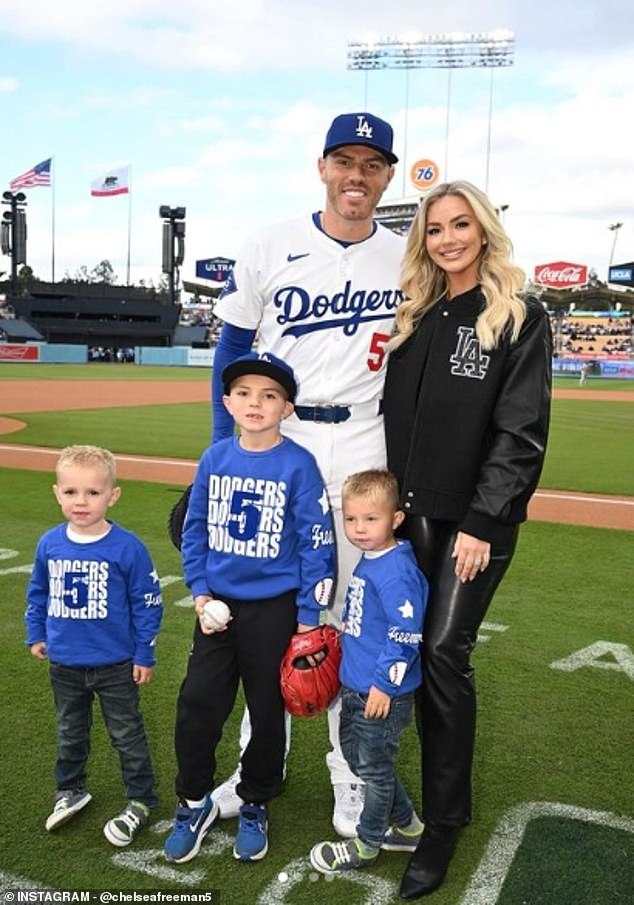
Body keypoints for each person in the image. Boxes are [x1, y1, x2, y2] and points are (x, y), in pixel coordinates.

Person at [209, 111, 405, 836]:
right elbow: (232, 351)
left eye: (373, 163)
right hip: (279, 441)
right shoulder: (269, 244)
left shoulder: (406, 255)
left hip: (364, 440)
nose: (357, 175)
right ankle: (260, 760)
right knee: (266, 613)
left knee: (355, 618)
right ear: (322, 166)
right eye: (345, 160)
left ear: (387, 175)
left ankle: (350, 772)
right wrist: (217, 460)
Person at [383, 180, 552, 899]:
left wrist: (484, 520)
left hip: (473, 522)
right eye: (436, 228)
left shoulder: (518, 314)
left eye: (461, 224)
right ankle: (400, 793)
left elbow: (520, 432)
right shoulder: (417, 314)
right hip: (411, 516)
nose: (448, 237)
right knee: (410, 648)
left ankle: (444, 822)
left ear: (483, 230)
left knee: (445, 653)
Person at [164, 352, 335, 865]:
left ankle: (255, 799)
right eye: (243, 393)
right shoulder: (215, 458)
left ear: (287, 407)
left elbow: (317, 544)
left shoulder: (299, 464)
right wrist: (199, 592)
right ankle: (193, 801)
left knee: (266, 711)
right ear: (226, 401)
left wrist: (309, 615)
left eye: (269, 395)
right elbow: (194, 531)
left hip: (275, 611)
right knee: (198, 705)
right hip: (217, 606)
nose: (255, 403)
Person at [25, 445, 163, 847]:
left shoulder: (127, 547)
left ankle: (140, 798)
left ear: (112, 495)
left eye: (92, 493)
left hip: (115, 664)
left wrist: (144, 653)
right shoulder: (50, 544)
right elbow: (39, 593)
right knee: (70, 731)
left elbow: (147, 603)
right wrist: (36, 632)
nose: (80, 502)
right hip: (65, 663)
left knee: (126, 734)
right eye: (71, 492)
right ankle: (69, 790)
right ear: (57, 493)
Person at [309, 469, 427, 875]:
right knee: (363, 763)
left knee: (374, 772)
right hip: (354, 688)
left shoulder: (396, 570)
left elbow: (405, 635)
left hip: (380, 695)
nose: (358, 529)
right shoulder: (372, 557)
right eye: (351, 519)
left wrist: (383, 686)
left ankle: (367, 844)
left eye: (370, 519)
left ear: (395, 519)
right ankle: (409, 827)